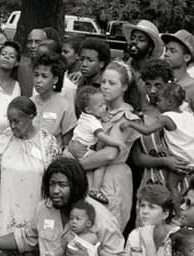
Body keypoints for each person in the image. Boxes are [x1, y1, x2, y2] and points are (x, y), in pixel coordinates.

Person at [0, 158, 126, 255]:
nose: (55, 191)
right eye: (52, 184)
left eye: (62, 185)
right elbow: (26, 238)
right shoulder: (44, 208)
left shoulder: (101, 217)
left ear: (76, 186)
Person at [78, 61, 142, 230]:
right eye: (104, 82)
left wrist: (74, 166)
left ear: (125, 87)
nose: (105, 87)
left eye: (112, 83)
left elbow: (109, 154)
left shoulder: (126, 116)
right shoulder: (98, 112)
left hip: (112, 177)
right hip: (91, 174)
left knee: (106, 229)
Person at [123, 83, 194, 203]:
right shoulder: (188, 115)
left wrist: (130, 124)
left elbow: (147, 131)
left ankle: (178, 214)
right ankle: (192, 209)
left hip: (183, 159)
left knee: (172, 185)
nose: (157, 102)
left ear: (169, 102)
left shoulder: (165, 117)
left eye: (159, 100)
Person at [0, 96, 60, 237]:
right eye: (10, 121)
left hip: (35, 211)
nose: (13, 125)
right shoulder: (3, 140)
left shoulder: (47, 142)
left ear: (31, 117)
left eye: (17, 121)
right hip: (5, 212)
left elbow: (55, 181)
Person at [71, 86, 126, 204]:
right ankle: (95, 189)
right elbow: (102, 137)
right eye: (100, 106)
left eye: (104, 104)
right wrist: (117, 142)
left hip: (73, 145)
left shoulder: (85, 116)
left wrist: (102, 115)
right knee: (100, 164)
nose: (104, 108)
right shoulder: (93, 122)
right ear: (88, 109)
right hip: (82, 148)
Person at [161, 30, 194, 145]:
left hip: (189, 156)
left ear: (186, 57)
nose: (166, 54)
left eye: (172, 51)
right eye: (166, 49)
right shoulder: (161, 86)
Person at [31, 52, 77, 146]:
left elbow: (66, 144)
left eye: (44, 76)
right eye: (36, 75)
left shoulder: (65, 106)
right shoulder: (29, 103)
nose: (38, 80)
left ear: (55, 79)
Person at [125, 184, 177, 255]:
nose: (144, 211)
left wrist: (148, 242)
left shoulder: (177, 237)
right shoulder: (134, 236)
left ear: (165, 214)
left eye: (152, 207)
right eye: (142, 205)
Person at [17, 28, 47, 96]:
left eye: (37, 42)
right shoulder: (21, 69)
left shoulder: (52, 70)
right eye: (29, 42)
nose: (33, 46)